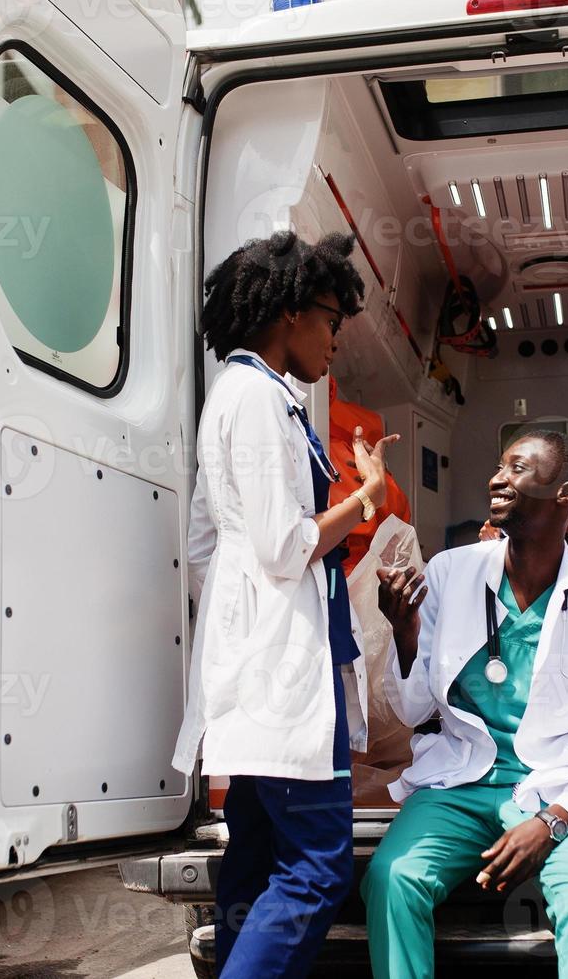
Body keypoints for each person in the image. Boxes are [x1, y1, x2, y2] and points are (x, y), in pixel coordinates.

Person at [171, 230, 399, 979]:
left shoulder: (233, 397)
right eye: (332, 319)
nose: (336, 338)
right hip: (278, 672)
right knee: (318, 866)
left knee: (254, 857)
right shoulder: (263, 401)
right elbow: (281, 545)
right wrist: (364, 499)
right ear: (290, 313)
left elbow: (208, 545)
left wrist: (243, 619)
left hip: (253, 662)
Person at [366, 431, 568, 979]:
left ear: (566, 493)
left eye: (519, 469)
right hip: (460, 780)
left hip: (558, 789)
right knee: (392, 878)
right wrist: (404, 631)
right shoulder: (452, 572)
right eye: (501, 466)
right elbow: (412, 711)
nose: (498, 478)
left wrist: (552, 822)